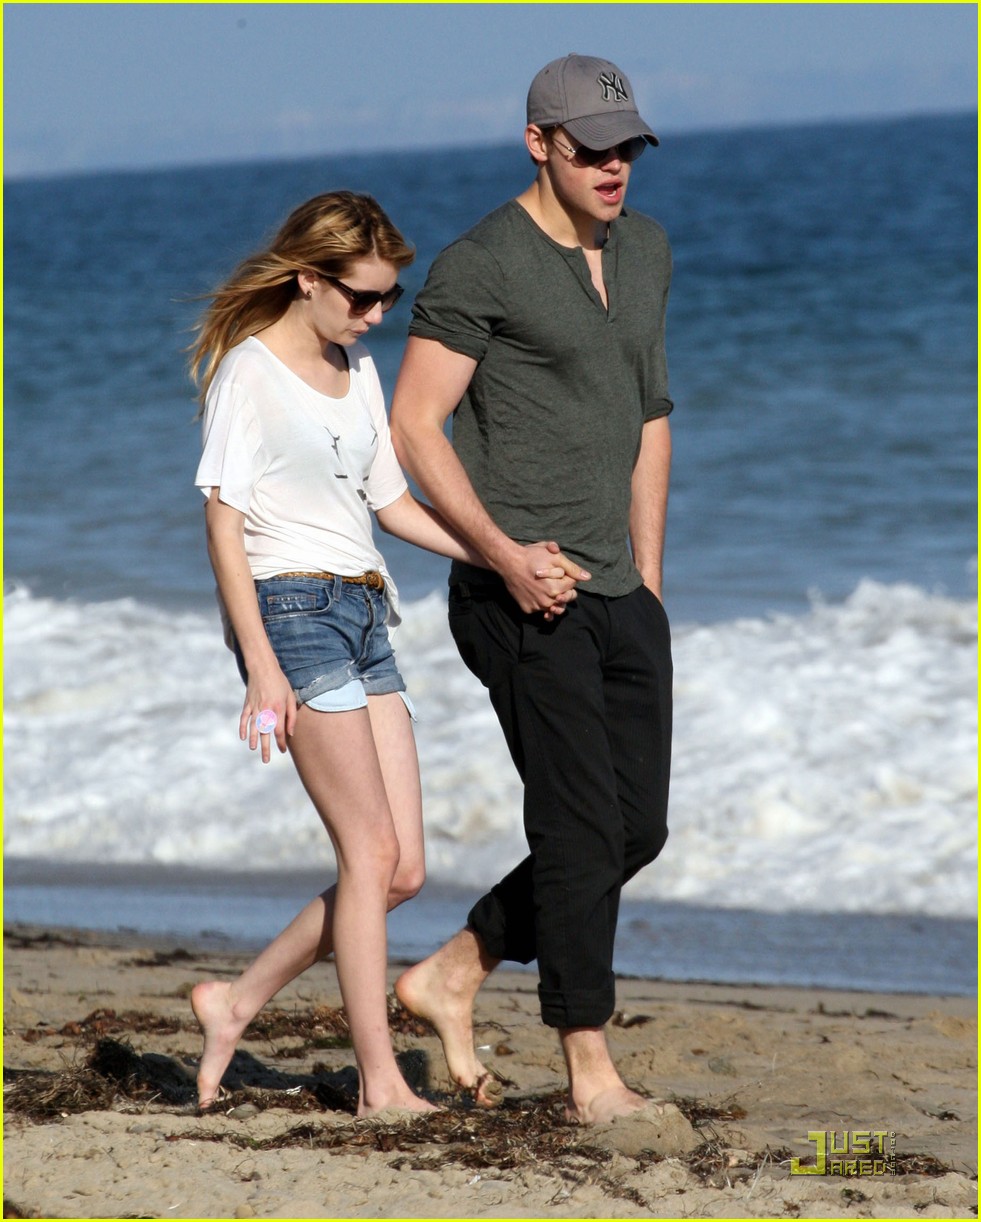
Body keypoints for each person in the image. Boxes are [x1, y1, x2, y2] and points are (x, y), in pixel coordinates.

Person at [187, 190, 584, 1118]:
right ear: (308, 278)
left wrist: (501, 555)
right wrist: (261, 665)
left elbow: (390, 504)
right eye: (361, 297)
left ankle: (233, 1003)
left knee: (400, 869)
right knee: (366, 852)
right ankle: (380, 1083)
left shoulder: (357, 366)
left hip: (366, 610)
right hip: (291, 611)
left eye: (388, 298)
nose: (375, 315)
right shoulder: (249, 373)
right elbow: (223, 524)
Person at [389, 55, 675, 1126]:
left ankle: (452, 972)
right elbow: (414, 426)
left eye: (625, 146)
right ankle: (588, 1068)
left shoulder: (644, 250)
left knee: (634, 828)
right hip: (517, 593)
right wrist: (504, 555)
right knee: (577, 823)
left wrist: (648, 579)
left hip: (619, 588)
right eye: (590, 147)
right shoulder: (481, 265)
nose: (612, 165)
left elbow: (649, 414)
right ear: (539, 144)